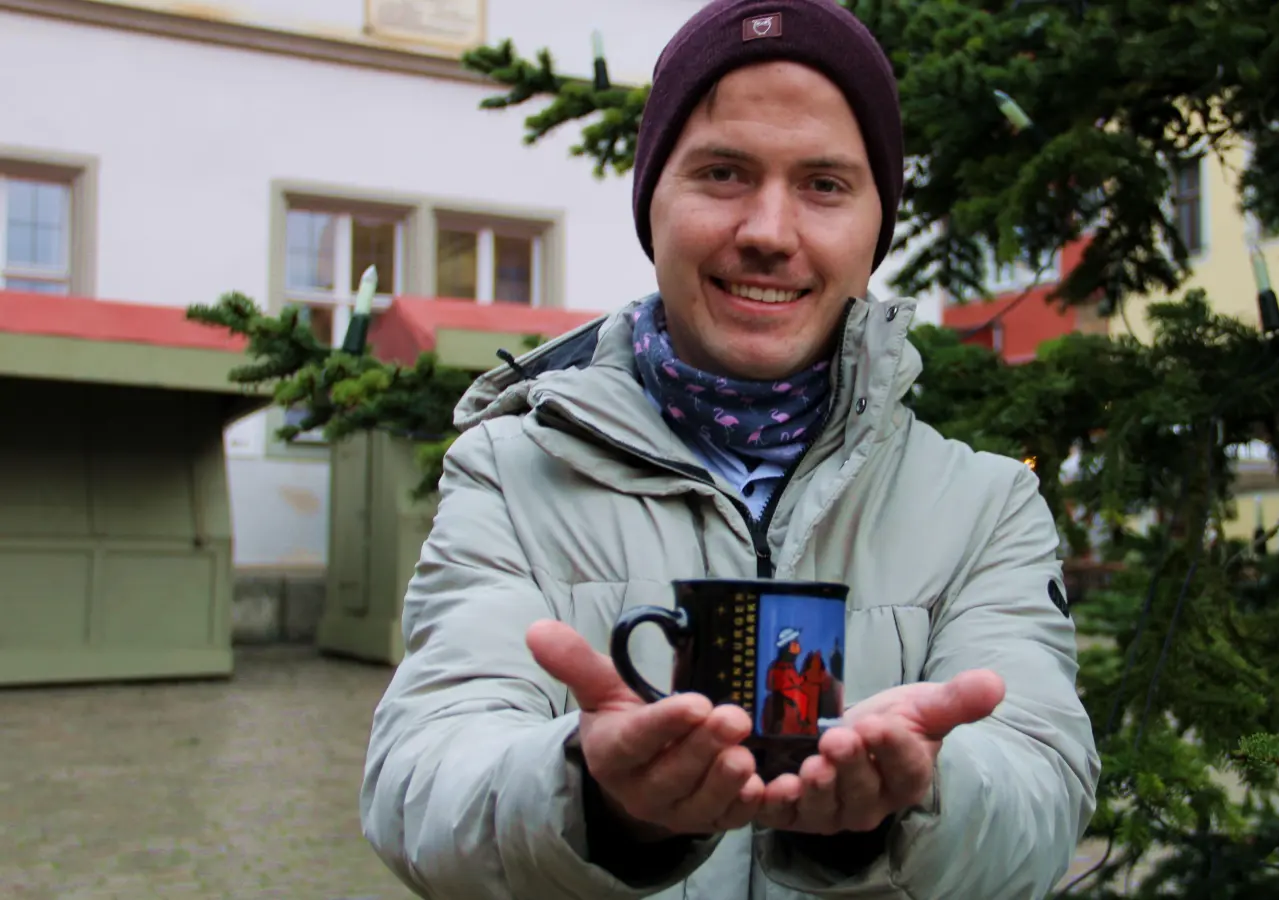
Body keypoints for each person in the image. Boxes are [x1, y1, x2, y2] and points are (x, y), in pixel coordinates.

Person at [358, 0, 1100, 897]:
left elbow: (1043, 801)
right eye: (722, 172)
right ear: (653, 206)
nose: (769, 232)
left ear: (876, 226)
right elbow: (420, 781)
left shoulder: (986, 508)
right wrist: (592, 798)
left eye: (825, 185)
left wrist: (912, 801)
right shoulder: (511, 474)